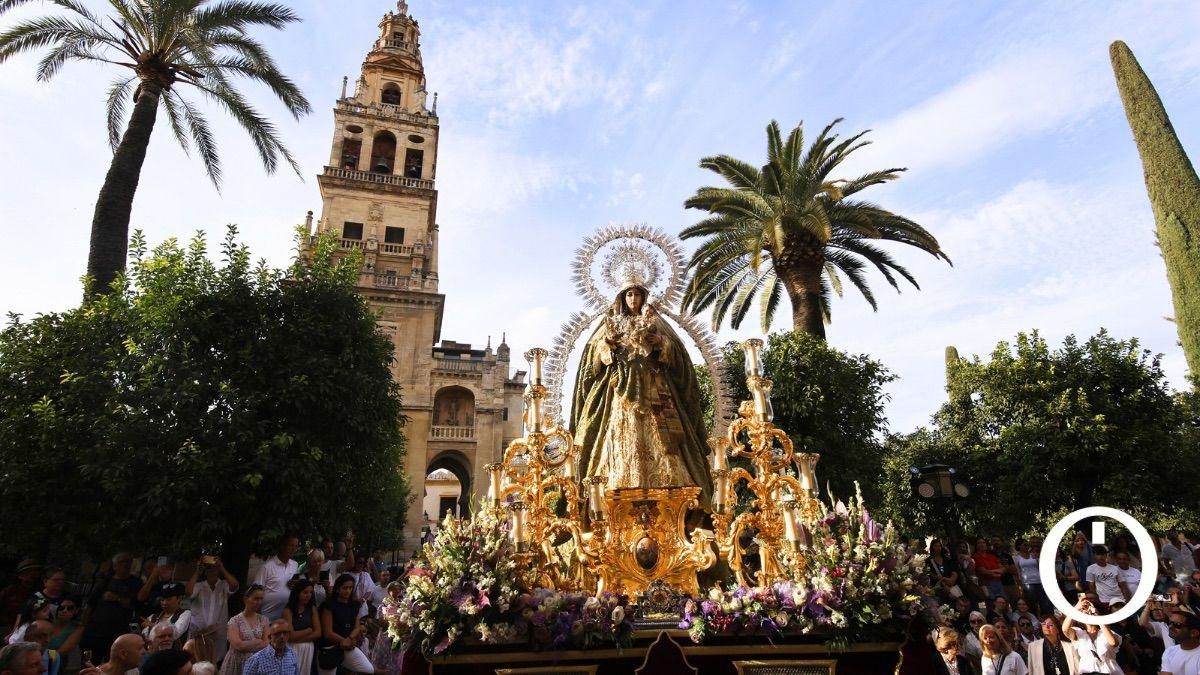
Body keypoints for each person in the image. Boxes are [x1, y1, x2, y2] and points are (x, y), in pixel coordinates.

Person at [570, 283, 714, 506]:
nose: (633, 298)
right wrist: (607, 344)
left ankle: (673, 495)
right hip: (619, 392)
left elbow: (678, 354)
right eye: (629, 294)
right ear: (622, 297)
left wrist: (661, 343)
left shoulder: (656, 322)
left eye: (637, 294)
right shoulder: (610, 322)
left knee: (669, 444)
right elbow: (593, 357)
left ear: (643, 296)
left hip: (656, 390)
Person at [82, 553, 140, 663]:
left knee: (114, 663)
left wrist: (117, 598)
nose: (126, 565)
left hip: (118, 632)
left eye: (128, 562)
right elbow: (90, 603)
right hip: (97, 631)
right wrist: (84, 627)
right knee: (90, 663)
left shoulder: (135, 582)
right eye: (123, 562)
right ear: (115, 565)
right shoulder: (105, 582)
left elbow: (134, 602)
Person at [185, 558, 238, 665]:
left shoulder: (223, 585)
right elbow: (188, 592)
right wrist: (197, 572)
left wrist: (222, 568)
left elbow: (235, 585)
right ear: (205, 571)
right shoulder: (199, 586)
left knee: (215, 661)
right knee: (196, 660)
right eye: (209, 568)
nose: (212, 571)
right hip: (199, 634)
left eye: (215, 568)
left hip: (217, 634)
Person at [318, 575, 372, 675]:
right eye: (345, 588)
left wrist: (351, 638)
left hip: (348, 644)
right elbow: (328, 633)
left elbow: (357, 627)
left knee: (368, 669)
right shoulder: (329, 605)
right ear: (338, 589)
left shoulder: (354, 605)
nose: (348, 591)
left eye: (350, 588)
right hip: (330, 647)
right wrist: (343, 640)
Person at [1062, 598, 1120, 674]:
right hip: (1088, 671)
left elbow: (1113, 642)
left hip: (1111, 671)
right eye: (1083, 610)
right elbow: (1065, 630)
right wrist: (1076, 609)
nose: (1087, 612)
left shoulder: (1106, 632)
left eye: (1089, 608)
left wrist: (1097, 615)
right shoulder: (1078, 633)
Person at [220, 586, 269, 675]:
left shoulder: (264, 620)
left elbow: (267, 643)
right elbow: (238, 645)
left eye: (261, 599)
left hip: (256, 663)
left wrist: (246, 645)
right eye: (256, 599)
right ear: (246, 599)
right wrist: (258, 641)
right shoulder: (234, 621)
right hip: (236, 664)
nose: (259, 602)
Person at [253, 537, 299, 622]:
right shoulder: (267, 567)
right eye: (291, 545)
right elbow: (255, 593)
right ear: (282, 546)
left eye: (296, 546)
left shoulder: (295, 565)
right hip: (266, 619)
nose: (294, 549)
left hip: (286, 619)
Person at [280, 584, 319, 675]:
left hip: (308, 649)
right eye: (305, 592)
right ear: (297, 593)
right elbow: (290, 636)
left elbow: (318, 633)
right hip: (292, 648)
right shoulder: (288, 610)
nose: (308, 595)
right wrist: (308, 630)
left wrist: (298, 638)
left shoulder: (312, 609)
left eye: (310, 592)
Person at [1, 562, 43, 636]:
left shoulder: (41, 593)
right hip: (7, 628)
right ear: (20, 576)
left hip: (33, 628)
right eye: (28, 572)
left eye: (35, 571)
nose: (32, 574)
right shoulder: (9, 591)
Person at [144, 586, 190, 650]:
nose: (164, 603)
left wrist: (153, 626)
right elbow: (146, 636)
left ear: (179, 599)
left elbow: (176, 633)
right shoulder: (153, 617)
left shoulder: (185, 614)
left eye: (168, 599)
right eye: (162, 600)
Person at [1015, 539, 1051, 615]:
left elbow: (1040, 568)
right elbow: (1017, 572)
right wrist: (1020, 586)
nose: (1027, 546)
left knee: (1044, 603)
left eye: (1027, 544)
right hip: (1028, 583)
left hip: (1040, 581)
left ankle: (1046, 619)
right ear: (1019, 546)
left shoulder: (1033, 555)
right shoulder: (1017, 558)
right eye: (1024, 545)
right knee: (1031, 604)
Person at [46, 599, 82, 675]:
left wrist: (43, 654)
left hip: (61, 665)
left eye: (69, 608)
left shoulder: (78, 629)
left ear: (75, 611)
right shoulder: (47, 623)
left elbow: (62, 652)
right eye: (61, 608)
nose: (64, 611)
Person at [1085, 545, 1124, 611]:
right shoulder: (1090, 569)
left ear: (1106, 555)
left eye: (1103, 554)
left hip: (1119, 598)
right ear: (1094, 555)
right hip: (1104, 600)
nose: (1101, 556)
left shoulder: (1115, 568)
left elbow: (1123, 585)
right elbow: (1091, 586)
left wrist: (1127, 598)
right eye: (1098, 554)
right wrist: (1098, 598)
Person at [974, 538, 1007, 603]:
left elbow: (1003, 568)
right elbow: (983, 571)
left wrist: (991, 572)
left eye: (983, 542)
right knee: (992, 603)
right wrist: (997, 573)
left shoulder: (992, 556)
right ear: (976, 546)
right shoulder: (975, 557)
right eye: (979, 543)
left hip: (999, 583)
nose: (982, 544)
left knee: (1004, 602)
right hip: (986, 584)